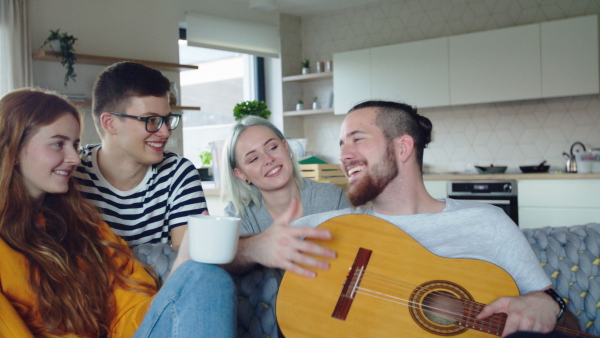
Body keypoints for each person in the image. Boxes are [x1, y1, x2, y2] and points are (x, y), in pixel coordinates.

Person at [289, 100, 578, 337]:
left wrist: (548, 305)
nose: (343, 156)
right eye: (341, 144)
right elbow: (245, 249)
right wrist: (255, 247)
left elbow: (562, 318)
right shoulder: (329, 228)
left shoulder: (487, 222)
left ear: (403, 148)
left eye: (357, 140)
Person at [0, 88, 236, 337]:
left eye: (75, 144)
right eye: (58, 144)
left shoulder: (83, 224)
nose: (74, 158)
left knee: (205, 276)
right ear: (14, 150)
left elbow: (130, 313)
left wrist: (182, 266)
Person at [220, 116, 351, 336]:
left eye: (272, 147)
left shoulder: (331, 198)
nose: (268, 159)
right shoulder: (238, 215)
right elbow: (226, 261)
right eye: (253, 159)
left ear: (285, 147)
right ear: (241, 175)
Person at [73, 61, 206, 251]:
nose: (166, 132)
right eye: (151, 120)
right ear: (110, 123)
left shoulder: (178, 172)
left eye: (167, 120)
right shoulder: (72, 171)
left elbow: (189, 266)